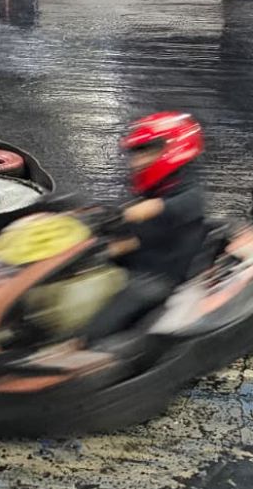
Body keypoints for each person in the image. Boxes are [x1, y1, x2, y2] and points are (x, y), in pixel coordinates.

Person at [84, 112, 208, 340]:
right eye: (136, 153)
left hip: (161, 276)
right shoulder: (159, 187)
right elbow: (137, 235)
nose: (136, 162)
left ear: (174, 149)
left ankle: (77, 346)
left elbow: (161, 209)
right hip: (140, 258)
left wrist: (127, 214)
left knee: (105, 316)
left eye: (145, 152)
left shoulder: (189, 195)